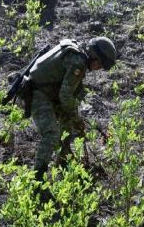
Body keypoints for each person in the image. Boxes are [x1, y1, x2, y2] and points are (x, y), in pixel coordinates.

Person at [26, 36, 117, 181]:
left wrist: (74, 118)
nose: (99, 69)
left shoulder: (76, 49)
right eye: (100, 65)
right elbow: (65, 97)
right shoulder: (78, 63)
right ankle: (37, 179)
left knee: (67, 127)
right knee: (51, 134)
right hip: (37, 93)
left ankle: (62, 165)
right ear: (95, 57)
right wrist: (78, 118)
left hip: (44, 91)